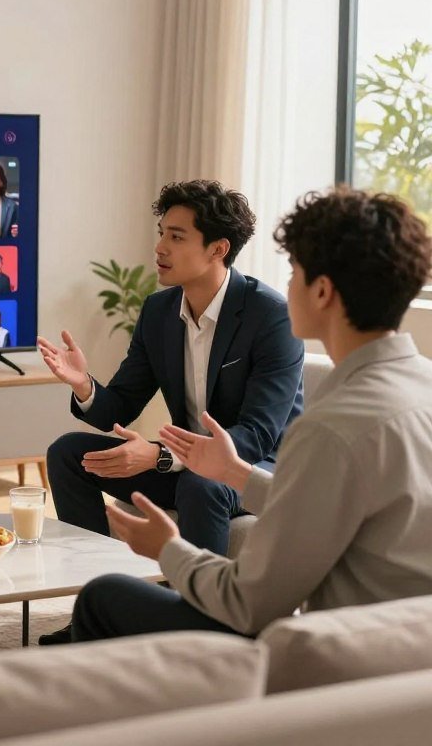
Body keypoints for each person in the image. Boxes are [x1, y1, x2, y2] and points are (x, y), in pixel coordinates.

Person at [72, 187, 432, 643]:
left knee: (101, 597)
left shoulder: (330, 429)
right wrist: (236, 473)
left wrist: (168, 551)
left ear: (322, 291)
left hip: (349, 657)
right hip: (413, 647)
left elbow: (249, 604)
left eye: (294, 270)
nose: (286, 285)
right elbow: (317, 500)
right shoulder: (422, 386)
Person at [36, 180, 304, 645]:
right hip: (188, 463)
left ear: (218, 248)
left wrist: (162, 455)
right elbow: (120, 406)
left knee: (202, 483)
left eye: (176, 237)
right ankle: (95, 609)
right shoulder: (159, 311)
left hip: (257, 467)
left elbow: (257, 436)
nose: (160, 247)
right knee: (69, 454)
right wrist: (84, 385)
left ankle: (198, 626)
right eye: (162, 233)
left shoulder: (270, 315)